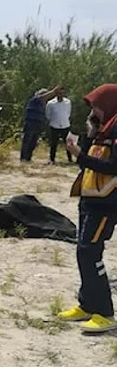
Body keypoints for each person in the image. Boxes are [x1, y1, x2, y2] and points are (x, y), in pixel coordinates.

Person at [59, 83, 117, 333]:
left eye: (95, 104)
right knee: (83, 251)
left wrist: (80, 155)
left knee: (90, 252)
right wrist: (89, 133)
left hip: (106, 204)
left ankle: (104, 312)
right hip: (90, 200)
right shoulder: (103, 129)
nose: (93, 109)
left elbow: (113, 166)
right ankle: (87, 304)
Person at [21, 86, 62, 162]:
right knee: (27, 140)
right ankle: (23, 158)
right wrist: (53, 92)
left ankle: (28, 158)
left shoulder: (43, 104)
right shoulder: (34, 100)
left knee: (33, 141)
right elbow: (42, 97)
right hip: (31, 123)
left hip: (38, 124)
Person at [46, 86, 73, 164]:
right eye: (59, 93)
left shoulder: (68, 102)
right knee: (54, 143)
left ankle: (70, 159)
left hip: (65, 124)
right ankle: (52, 159)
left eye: (62, 93)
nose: (60, 95)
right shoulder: (51, 103)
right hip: (54, 125)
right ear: (56, 93)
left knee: (68, 143)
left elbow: (68, 113)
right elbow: (48, 115)